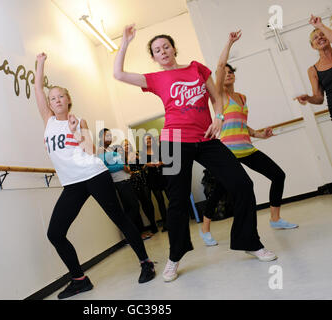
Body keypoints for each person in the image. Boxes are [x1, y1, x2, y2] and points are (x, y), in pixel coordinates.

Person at [114, 25, 277, 282]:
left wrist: (220, 117)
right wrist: (124, 43)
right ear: (154, 57)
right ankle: (175, 257)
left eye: (166, 46)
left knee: (242, 183)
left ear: (174, 48)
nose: (163, 51)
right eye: (157, 50)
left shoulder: (196, 69)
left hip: (206, 137)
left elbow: (217, 97)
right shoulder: (154, 79)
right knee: (177, 200)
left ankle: (249, 241)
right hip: (173, 141)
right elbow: (118, 74)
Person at [35, 53, 155, 299]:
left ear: (69, 100)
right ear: (49, 103)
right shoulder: (47, 121)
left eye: (61, 96)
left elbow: (90, 151)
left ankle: (146, 263)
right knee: (55, 233)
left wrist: (75, 131)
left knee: (119, 218)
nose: (56, 100)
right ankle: (80, 279)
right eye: (52, 98)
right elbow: (37, 87)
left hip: (93, 174)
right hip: (72, 183)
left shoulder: (79, 121)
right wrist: (40, 64)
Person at [199, 31, 298, 247]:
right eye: (224, 73)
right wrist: (230, 42)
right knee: (219, 191)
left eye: (230, 72)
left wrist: (259, 134)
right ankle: (205, 230)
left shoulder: (242, 97)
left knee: (278, 175)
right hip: (228, 152)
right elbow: (219, 65)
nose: (228, 74)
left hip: (247, 148)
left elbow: (241, 124)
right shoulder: (220, 96)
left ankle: (275, 219)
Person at [97, 129, 150, 240]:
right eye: (107, 136)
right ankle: (129, 235)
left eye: (111, 135)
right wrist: (122, 167)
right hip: (120, 183)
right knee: (134, 207)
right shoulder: (101, 150)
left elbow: (118, 163)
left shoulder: (110, 149)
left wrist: (128, 170)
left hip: (126, 180)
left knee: (130, 207)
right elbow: (105, 167)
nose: (110, 138)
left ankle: (138, 234)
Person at [295, 14, 332, 120]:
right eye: (315, 38)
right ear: (313, 46)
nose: (320, 37)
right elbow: (319, 98)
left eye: (322, 34)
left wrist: (320, 25)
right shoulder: (313, 70)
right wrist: (308, 98)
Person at [122, 139, 159, 235]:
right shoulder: (122, 159)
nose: (127, 146)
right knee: (138, 205)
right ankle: (142, 229)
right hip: (132, 183)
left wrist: (143, 164)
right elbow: (125, 171)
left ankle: (153, 224)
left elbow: (144, 165)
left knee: (147, 203)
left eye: (128, 144)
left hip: (143, 180)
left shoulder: (137, 154)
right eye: (125, 145)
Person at [140, 134, 168, 232]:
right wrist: (147, 164)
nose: (148, 140)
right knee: (160, 202)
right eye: (146, 139)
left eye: (149, 139)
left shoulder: (159, 149)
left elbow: (168, 160)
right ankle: (166, 224)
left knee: (171, 198)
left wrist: (160, 163)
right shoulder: (142, 153)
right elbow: (142, 167)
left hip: (164, 176)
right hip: (152, 179)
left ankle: (177, 220)